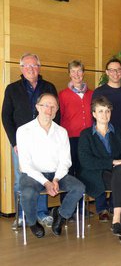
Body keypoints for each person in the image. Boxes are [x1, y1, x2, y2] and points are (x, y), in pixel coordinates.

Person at [17, 93, 85, 238]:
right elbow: (26, 164)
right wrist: (46, 182)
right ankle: (32, 222)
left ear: (57, 110)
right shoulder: (23, 131)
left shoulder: (61, 132)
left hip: (56, 174)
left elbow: (66, 161)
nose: (49, 109)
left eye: (53, 106)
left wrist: (55, 179)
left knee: (79, 187)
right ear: (37, 107)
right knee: (28, 193)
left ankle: (60, 215)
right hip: (32, 175)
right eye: (45, 105)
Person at [1, 53, 57, 230]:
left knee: (42, 177)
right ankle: (22, 215)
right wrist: (14, 142)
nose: (31, 69)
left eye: (34, 66)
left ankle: (41, 213)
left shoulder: (48, 87)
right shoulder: (12, 89)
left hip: (45, 141)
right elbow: (6, 116)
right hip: (21, 143)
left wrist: (53, 137)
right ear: (21, 68)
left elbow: (56, 112)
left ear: (39, 68)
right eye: (27, 66)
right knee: (21, 179)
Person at [78, 96, 121, 246]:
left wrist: (119, 165)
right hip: (94, 175)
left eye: (107, 111)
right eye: (101, 111)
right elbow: (86, 161)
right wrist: (112, 162)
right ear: (94, 114)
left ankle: (119, 223)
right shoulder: (85, 135)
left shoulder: (118, 133)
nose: (105, 114)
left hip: (115, 175)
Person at [92, 58, 121, 222]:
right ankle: (102, 208)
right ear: (107, 72)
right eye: (112, 70)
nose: (115, 73)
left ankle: (113, 205)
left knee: (120, 170)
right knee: (101, 171)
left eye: (118, 70)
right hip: (102, 136)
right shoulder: (99, 91)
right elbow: (94, 115)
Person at [59, 60, 93, 177]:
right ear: (69, 74)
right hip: (70, 138)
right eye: (73, 71)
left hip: (88, 138)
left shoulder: (92, 94)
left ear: (83, 73)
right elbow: (60, 117)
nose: (76, 74)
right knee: (69, 171)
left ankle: (83, 195)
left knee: (84, 171)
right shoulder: (62, 95)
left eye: (79, 71)